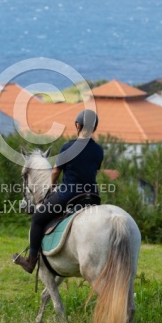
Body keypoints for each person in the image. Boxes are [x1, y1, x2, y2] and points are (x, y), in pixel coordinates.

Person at [13, 109, 104, 274]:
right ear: (94, 128)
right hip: (92, 196)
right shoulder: (99, 150)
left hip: (70, 195)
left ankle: (31, 260)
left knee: (38, 219)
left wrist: (52, 184)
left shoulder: (68, 147)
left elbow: (55, 172)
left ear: (78, 125)